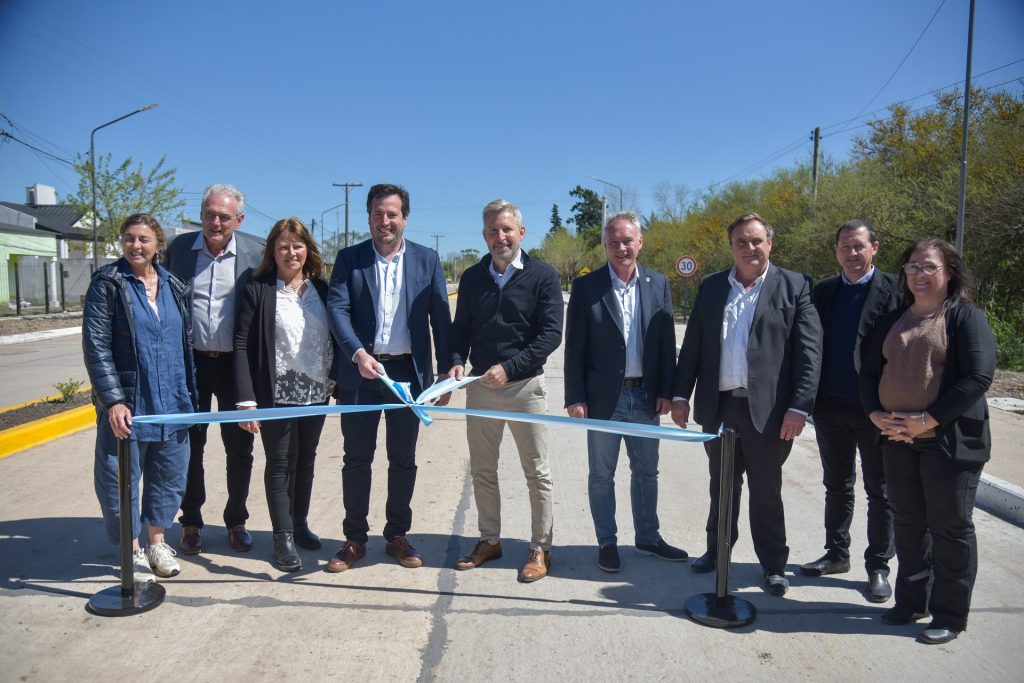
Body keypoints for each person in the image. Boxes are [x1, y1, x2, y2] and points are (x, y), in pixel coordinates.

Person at [671, 212, 821, 596]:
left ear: (770, 243)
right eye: (741, 241)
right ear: (731, 247)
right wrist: (680, 395)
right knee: (721, 485)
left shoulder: (795, 286)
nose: (749, 248)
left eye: (756, 240)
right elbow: (693, 346)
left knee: (766, 490)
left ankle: (773, 565)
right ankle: (716, 551)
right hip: (720, 407)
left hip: (770, 413)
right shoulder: (712, 286)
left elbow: (809, 354)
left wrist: (799, 407)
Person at [859, 238, 995, 645]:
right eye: (913, 267)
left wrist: (927, 420)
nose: (920, 274)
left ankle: (950, 614)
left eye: (929, 266)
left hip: (948, 442)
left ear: (949, 272)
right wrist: (875, 414)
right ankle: (911, 601)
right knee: (908, 523)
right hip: (897, 439)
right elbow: (868, 372)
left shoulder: (965, 317)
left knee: (949, 528)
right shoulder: (893, 319)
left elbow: (978, 376)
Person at [325, 183, 452, 572]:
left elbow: (440, 318)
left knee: (403, 459)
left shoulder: (427, 260)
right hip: (361, 372)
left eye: (392, 214)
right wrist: (357, 354)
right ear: (369, 217)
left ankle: (397, 535)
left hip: (406, 375)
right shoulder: (349, 259)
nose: (385, 221)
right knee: (356, 459)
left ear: (405, 218)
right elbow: (337, 310)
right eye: (378, 214)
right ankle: (354, 539)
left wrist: (447, 368)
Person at [565, 211, 686, 572]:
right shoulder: (587, 287)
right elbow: (575, 347)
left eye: (627, 240)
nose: (621, 248)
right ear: (605, 245)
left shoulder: (658, 283)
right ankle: (607, 542)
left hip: (646, 398)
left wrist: (666, 391)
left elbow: (665, 343)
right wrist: (575, 397)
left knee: (647, 473)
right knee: (601, 475)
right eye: (614, 242)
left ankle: (648, 537)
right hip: (604, 399)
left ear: (640, 242)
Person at [448, 199, 562, 582]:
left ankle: (540, 548)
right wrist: (456, 361)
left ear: (521, 233)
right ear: (485, 236)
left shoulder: (543, 276)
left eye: (507, 229)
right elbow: (461, 330)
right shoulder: (472, 278)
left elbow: (551, 334)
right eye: (493, 231)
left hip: (525, 388)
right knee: (483, 470)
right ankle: (489, 540)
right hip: (481, 389)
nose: (501, 237)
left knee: (537, 472)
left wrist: (510, 368)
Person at [83, 214, 197, 583]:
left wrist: (189, 394)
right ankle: (131, 551)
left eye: (143, 239)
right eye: (129, 238)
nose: (135, 245)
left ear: (157, 244)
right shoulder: (108, 283)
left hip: (173, 400)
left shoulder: (174, 286)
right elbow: (96, 346)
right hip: (131, 402)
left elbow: (184, 344)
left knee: (168, 475)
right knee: (121, 479)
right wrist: (113, 400)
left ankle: (157, 543)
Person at [799, 220, 901, 603]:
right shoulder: (823, 292)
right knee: (837, 485)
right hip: (829, 407)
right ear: (836, 251)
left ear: (875, 247)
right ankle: (836, 554)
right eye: (845, 246)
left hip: (877, 410)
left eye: (859, 246)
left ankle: (878, 566)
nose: (851, 253)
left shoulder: (897, 291)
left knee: (881, 490)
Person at [166, 183, 264, 555]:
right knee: (189, 446)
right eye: (209, 214)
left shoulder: (256, 253)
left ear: (239, 220)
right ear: (201, 215)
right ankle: (191, 520)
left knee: (240, 447)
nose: (215, 223)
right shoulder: (178, 250)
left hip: (236, 366)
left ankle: (236, 521)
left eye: (224, 216)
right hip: (190, 365)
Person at [233, 218, 337, 572]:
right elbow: (242, 344)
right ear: (272, 252)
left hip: (316, 391)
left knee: (306, 459)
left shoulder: (320, 288)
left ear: (308, 249)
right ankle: (282, 537)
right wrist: (246, 398)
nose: (291, 252)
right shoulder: (259, 288)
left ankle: (300, 523)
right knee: (279, 463)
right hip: (275, 392)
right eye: (283, 247)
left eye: (297, 245)